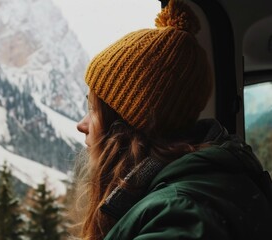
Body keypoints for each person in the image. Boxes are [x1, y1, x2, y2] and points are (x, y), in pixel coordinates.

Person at [71, 0, 272, 239]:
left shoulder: (179, 214)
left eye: (94, 110)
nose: (81, 125)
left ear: (127, 127)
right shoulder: (187, 195)